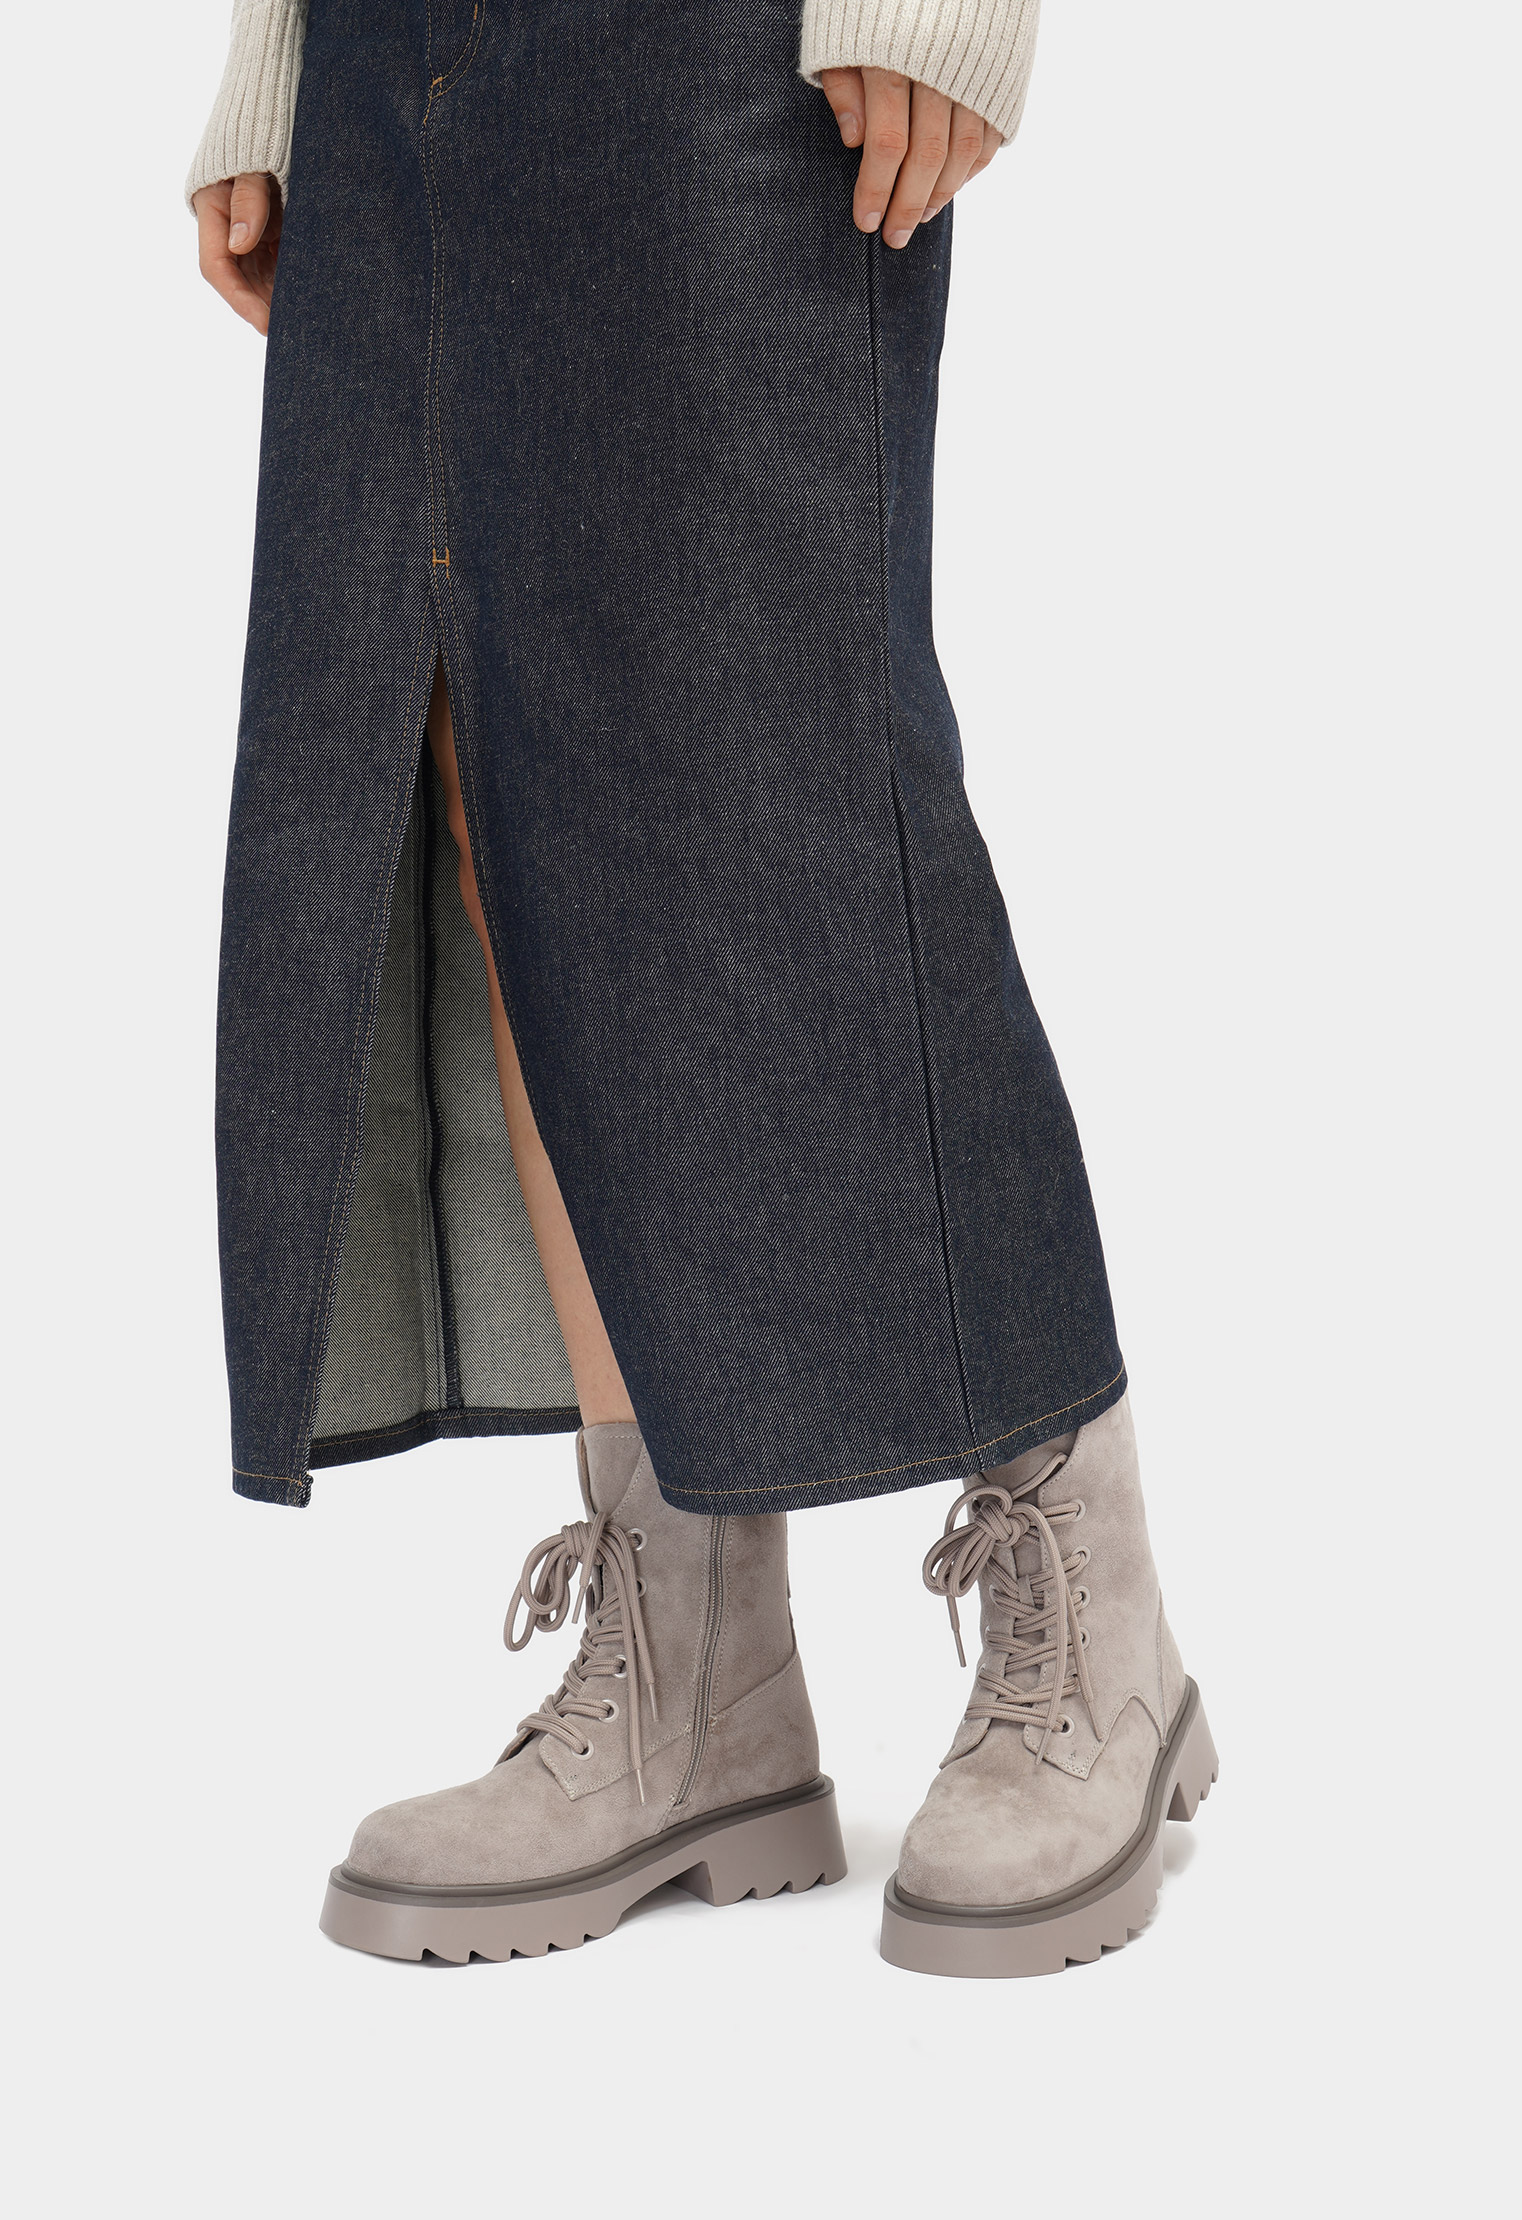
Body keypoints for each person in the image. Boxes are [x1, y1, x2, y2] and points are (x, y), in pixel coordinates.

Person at [189, 0, 1215, 1979]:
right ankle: (692, 1669)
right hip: (385, 60)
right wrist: (273, 61)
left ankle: (1089, 1611)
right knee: (475, 756)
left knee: (792, 754)